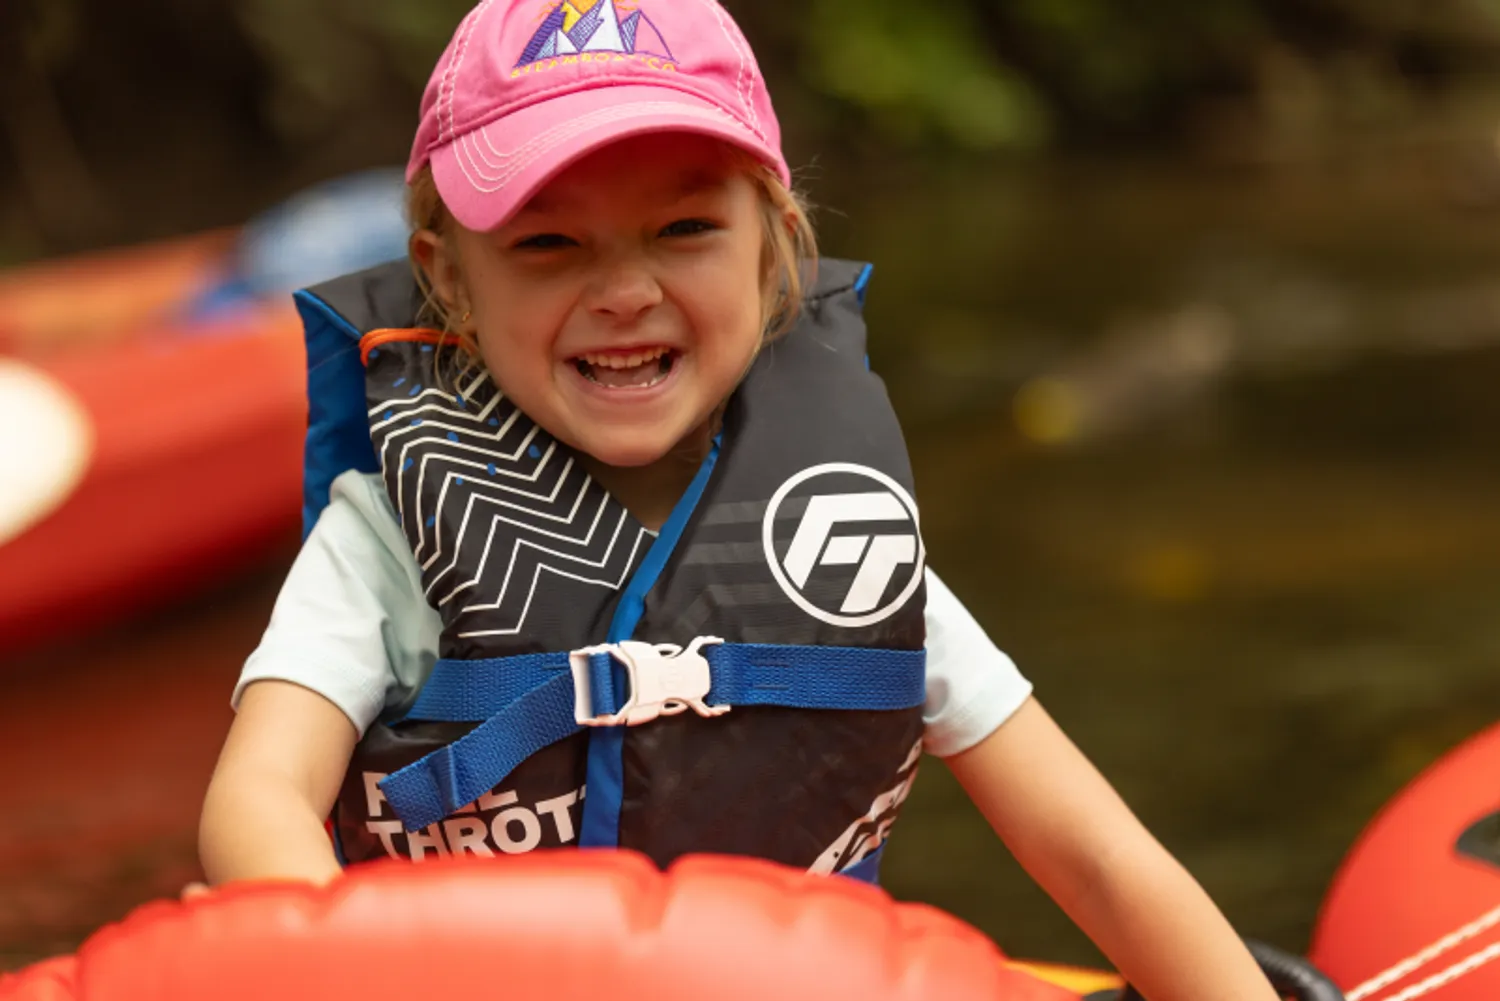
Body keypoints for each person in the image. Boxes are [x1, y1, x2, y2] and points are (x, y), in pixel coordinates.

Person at [200, 2, 1279, 999]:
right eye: (546, 243)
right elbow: (258, 800)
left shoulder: (834, 536)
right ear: (451, 281)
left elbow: (1094, 850)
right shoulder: (389, 533)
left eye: (683, 230)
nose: (624, 291)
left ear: (774, 250)